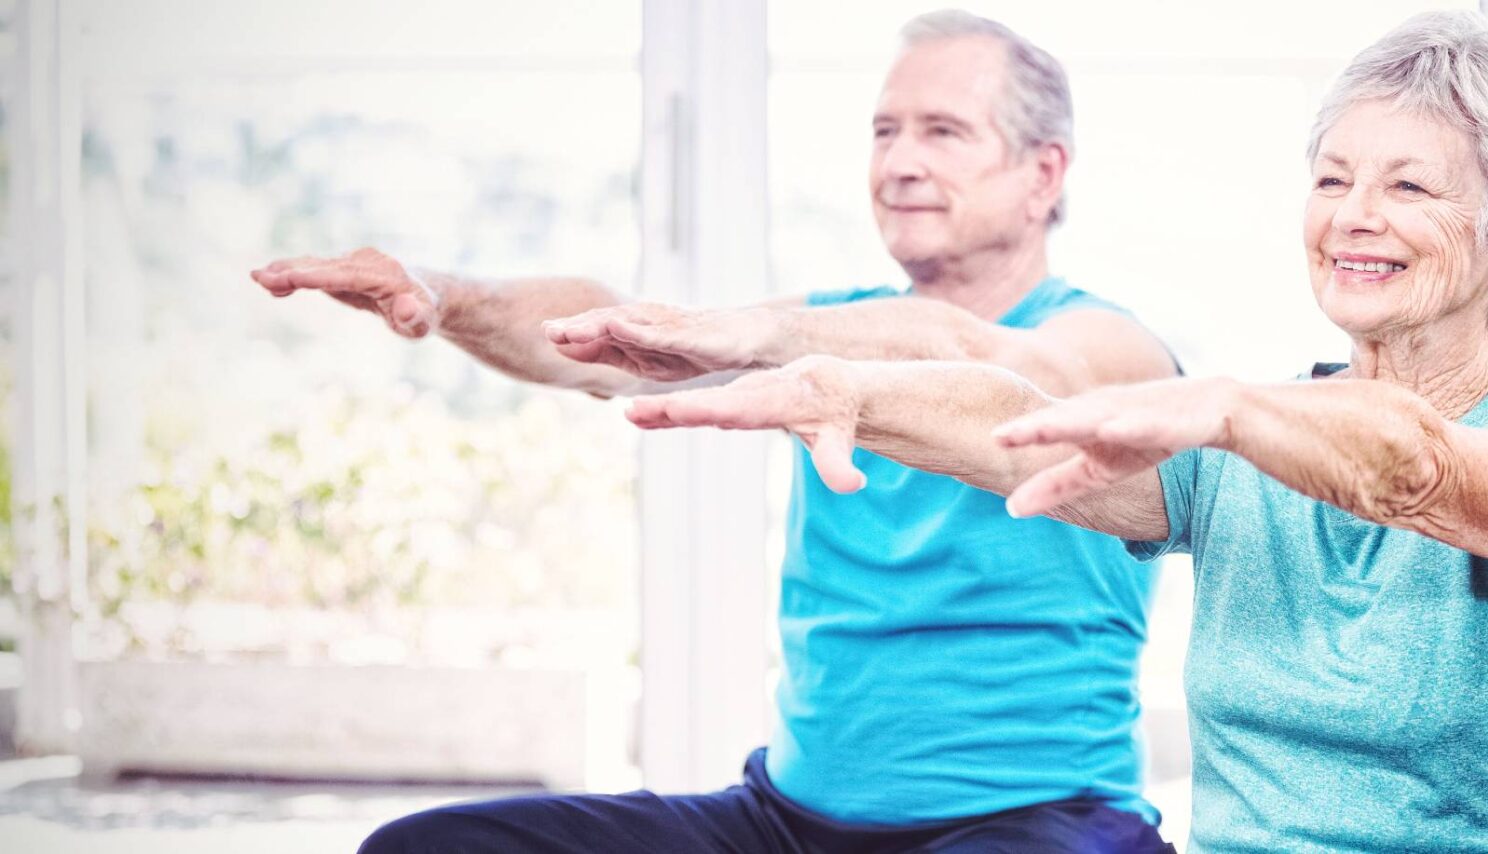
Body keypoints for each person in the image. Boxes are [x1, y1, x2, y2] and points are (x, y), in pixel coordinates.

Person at [623, 11, 1488, 853]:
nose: (1351, 217)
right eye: (1332, 179)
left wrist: (1232, 408)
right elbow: (1017, 419)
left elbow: (1418, 467)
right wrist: (855, 388)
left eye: (1407, 186)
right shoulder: (1232, 453)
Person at [255, 11, 1178, 854]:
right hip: (783, 822)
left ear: (1042, 174)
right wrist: (448, 296)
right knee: (427, 850)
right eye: (885, 131)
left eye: (943, 132)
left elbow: (1012, 368)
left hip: (1043, 826)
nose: (899, 161)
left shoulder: (1103, 341)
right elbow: (611, 340)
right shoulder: (832, 319)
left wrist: (768, 336)